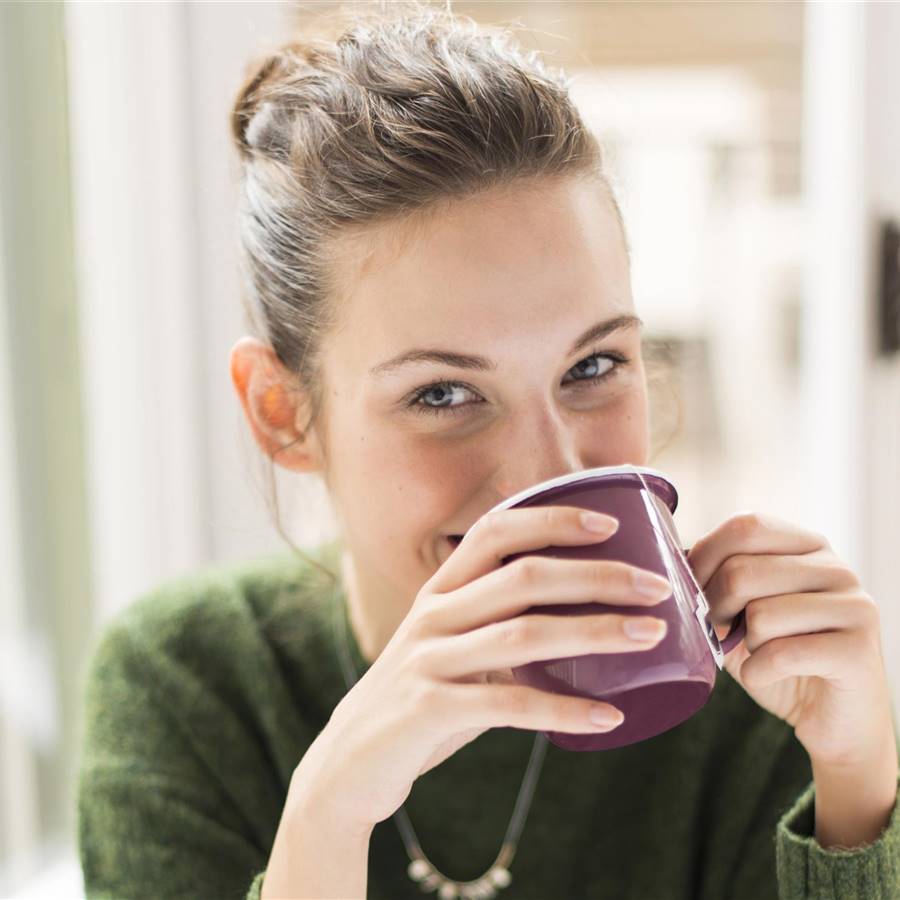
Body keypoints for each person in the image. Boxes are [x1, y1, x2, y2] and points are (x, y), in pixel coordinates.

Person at [76, 2, 900, 898]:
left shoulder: (756, 698)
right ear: (284, 413)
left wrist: (857, 786)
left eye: (593, 364)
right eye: (441, 394)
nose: (554, 471)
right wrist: (331, 810)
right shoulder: (190, 688)